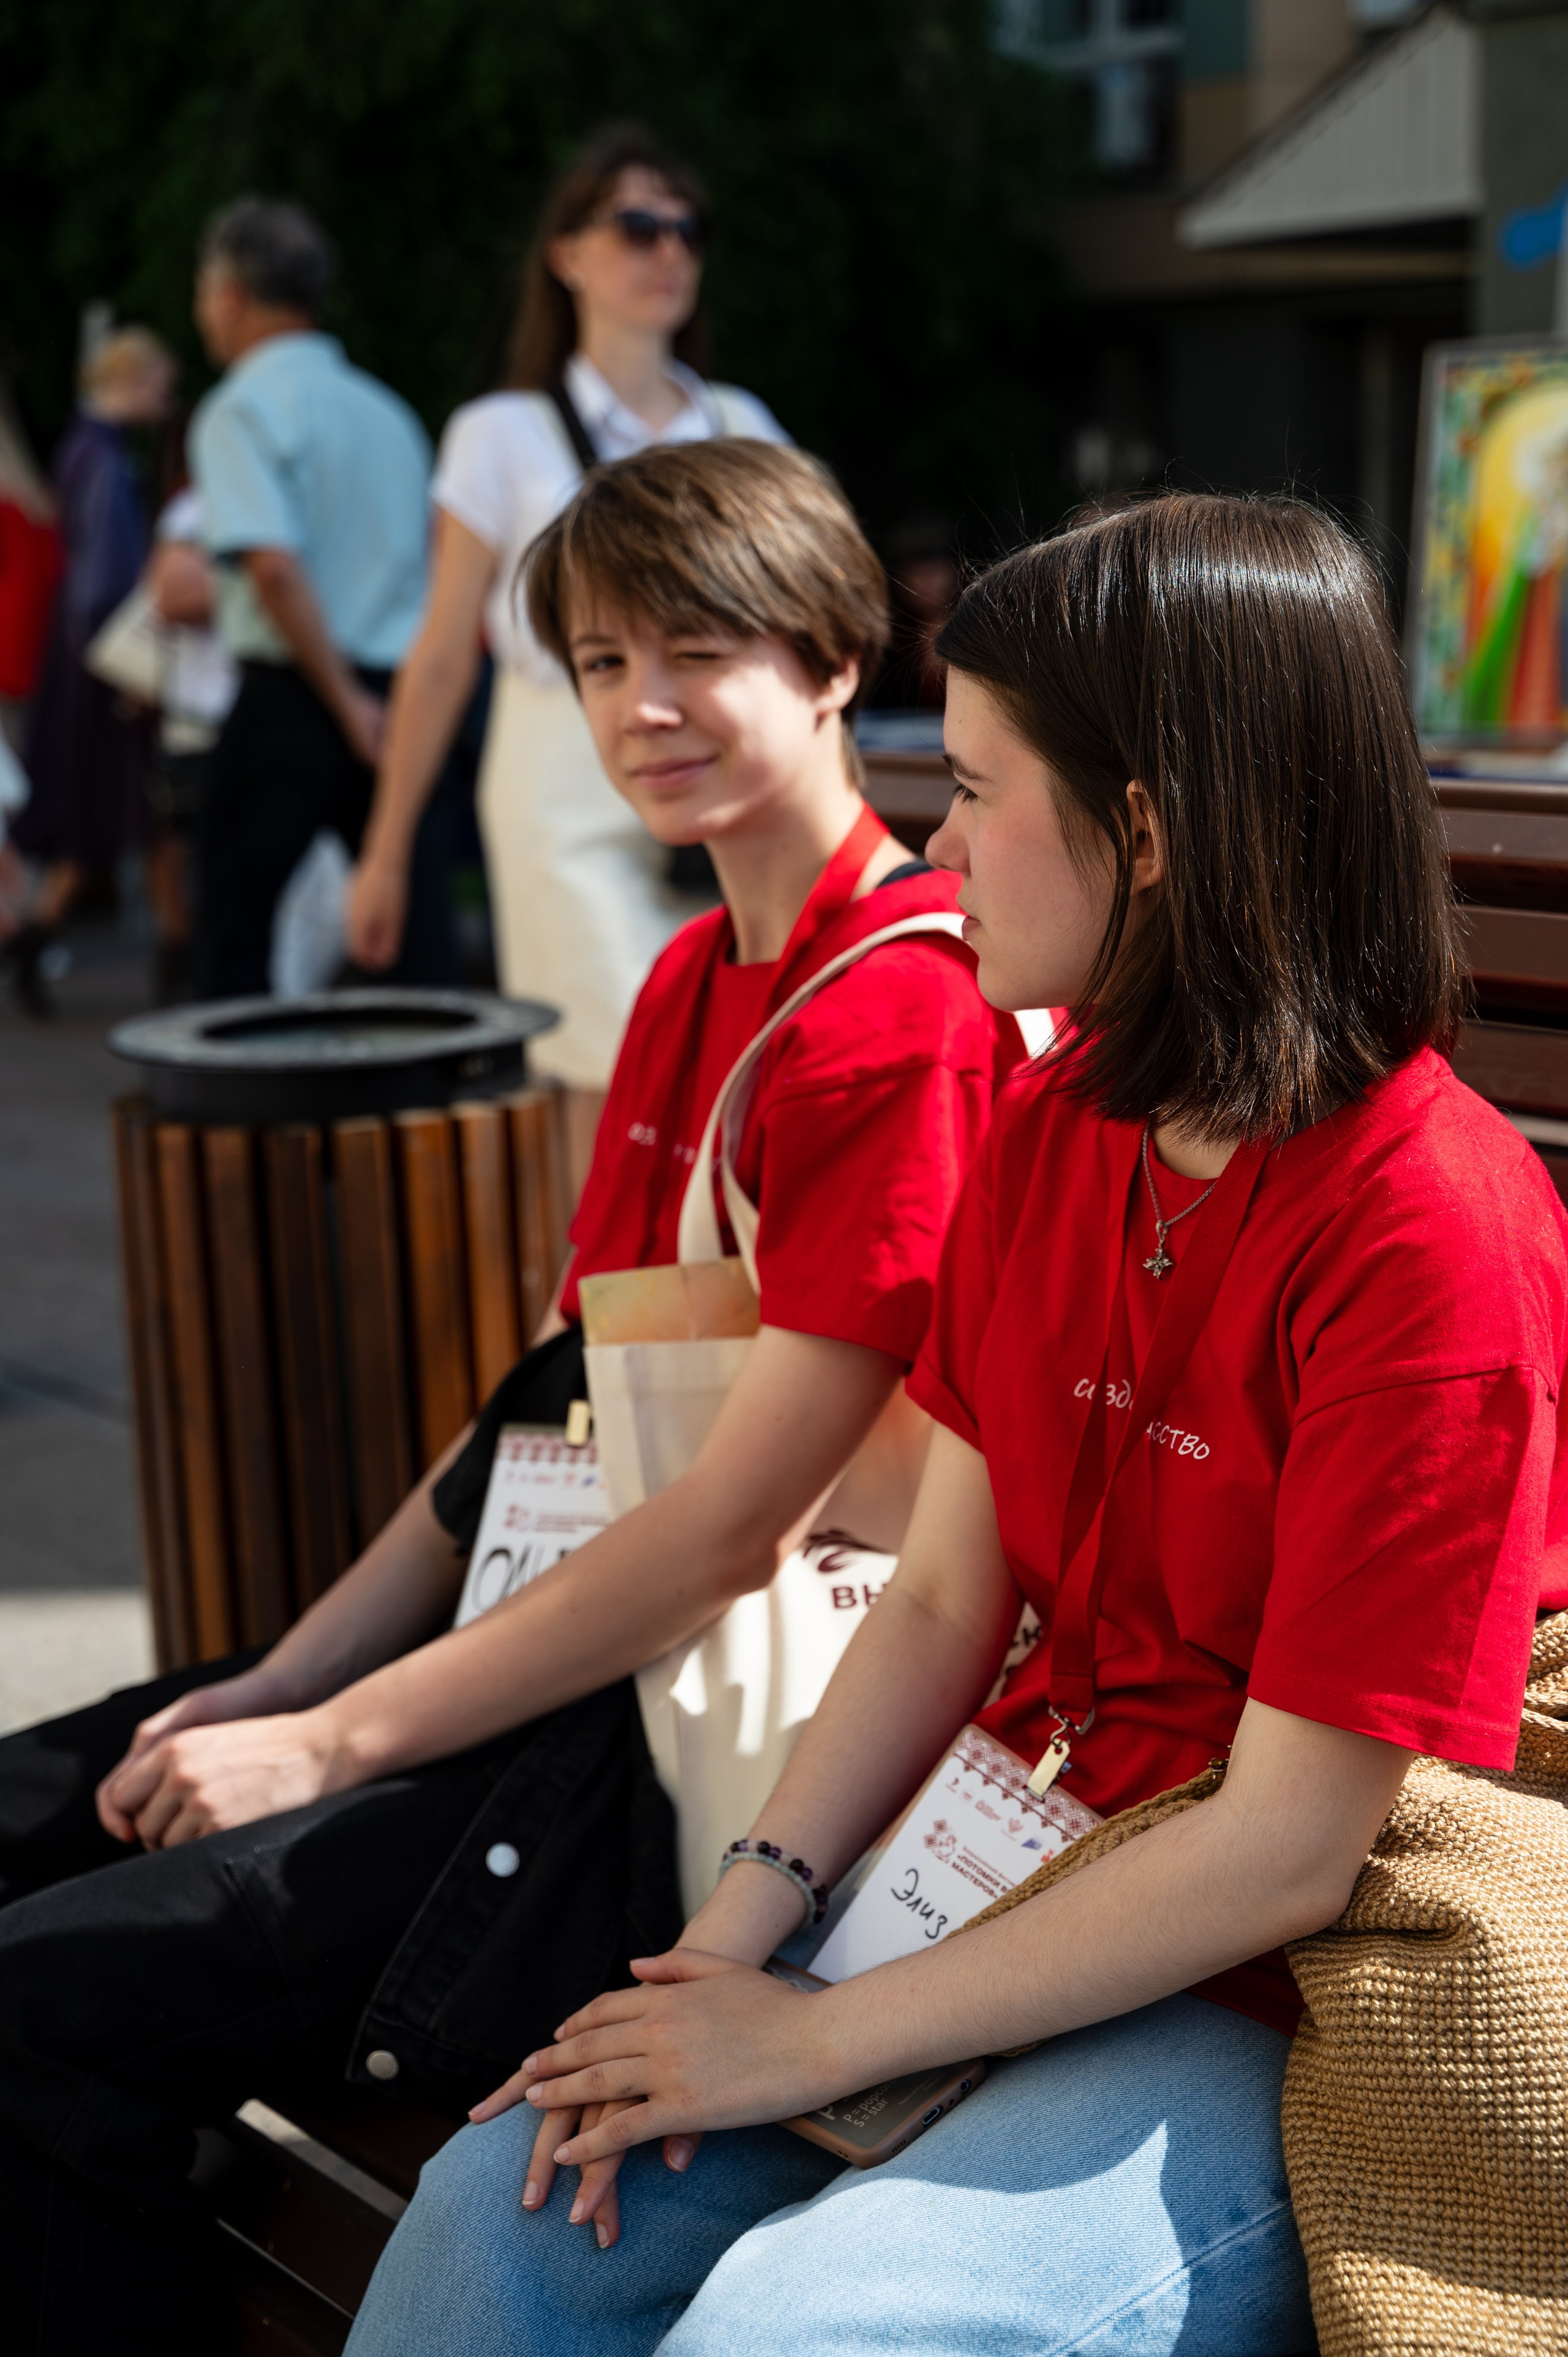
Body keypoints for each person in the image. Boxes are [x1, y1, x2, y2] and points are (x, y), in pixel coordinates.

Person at [344, 492, 1568, 2357]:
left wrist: (812, 2037)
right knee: (499, 2209)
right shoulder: (1060, 1111)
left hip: (1266, 1977)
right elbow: (936, 1601)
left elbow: (1291, 1844)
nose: (938, 840)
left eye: (980, 787)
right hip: (994, 1852)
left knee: (804, 2321)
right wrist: (732, 1944)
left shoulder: (1434, 1228)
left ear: (1144, 831)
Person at [0, 438, 1023, 2356]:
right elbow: (537, 1423)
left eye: (699, 650)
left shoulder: (899, 1010)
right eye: (602, 660)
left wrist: (327, 1745)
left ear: (826, 664)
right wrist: (275, 1685)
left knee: (42, 1997)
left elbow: (734, 1520)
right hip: (538, 1664)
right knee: (50, 1817)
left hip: (653, 1767)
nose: (644, 706)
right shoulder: (686, 983)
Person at [345, 124, 788, 1194]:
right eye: (637, 225)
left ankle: (717, 1348)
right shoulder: (498, 434)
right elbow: (445, 654)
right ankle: (600, 1347)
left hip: (721, 790)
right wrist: (389, 848)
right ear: (567, 253)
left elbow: (794, 635)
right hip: (555, 779)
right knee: (612, 1085)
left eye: (688, 228)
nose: (669, 250)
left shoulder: (741, 425)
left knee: (734, 1084)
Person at [188, 195, 444, 998]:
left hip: (295, 694)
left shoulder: (240, 408)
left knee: (234, 930)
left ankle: (241, 1117)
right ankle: (430, 1111)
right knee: (412, 936)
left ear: (230, 295)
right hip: (399, 696)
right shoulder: (388, 412)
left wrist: (339, 700)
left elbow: (274, 569)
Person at [6, 326, 175, 1014]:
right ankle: (179, 964)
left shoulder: (82, 451)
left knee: (100, 819)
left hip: (81, 661)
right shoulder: (107, 462)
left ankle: (35, 941)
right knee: (136, 814)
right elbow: (103, 585)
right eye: (159, 385)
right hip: (103, 664)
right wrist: (129, 670)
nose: (164, 399)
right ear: (131, 381)